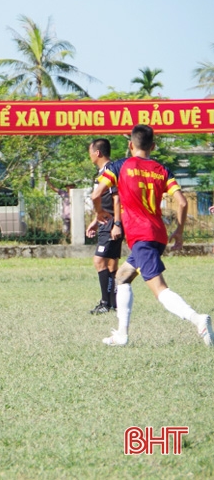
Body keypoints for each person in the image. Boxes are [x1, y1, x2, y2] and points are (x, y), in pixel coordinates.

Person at [91, 124, 212, 347]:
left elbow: (96, 193)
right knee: (122, 276)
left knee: (159, 289)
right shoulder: (162, 170)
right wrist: (180, 231)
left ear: (130, 145)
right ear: (153, 146)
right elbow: (183, 202)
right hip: (157, 234)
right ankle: (121, 335)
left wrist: (99, 212)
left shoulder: (119, 166)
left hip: (141, 236)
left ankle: (198, 320)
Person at [85, 138, 123, 315]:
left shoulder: (109, 171)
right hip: (106, 221)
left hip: (111, 223)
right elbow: (106, 201)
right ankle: (113, 303)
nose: (89, 155)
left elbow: (117, 198)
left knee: (99, 260)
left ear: (97, 152)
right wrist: (95, 220)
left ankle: (105, 303)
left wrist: (116, 224)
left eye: (90, 151)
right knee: (111, 264)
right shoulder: (103, 171)